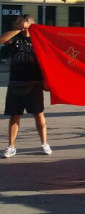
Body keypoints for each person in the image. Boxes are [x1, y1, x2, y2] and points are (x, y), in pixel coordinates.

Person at [1, 15, 51, 158]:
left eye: (21, 22)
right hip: (16, 82)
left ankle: (44, 143)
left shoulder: (39, 40)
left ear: (30, 24)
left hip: (34, 83)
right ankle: (11, 146)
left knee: (39, 114)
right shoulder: (14, 38)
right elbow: (2, 40)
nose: (17, 24)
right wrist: (18, 30)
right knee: (14, 115)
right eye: (17, 22)